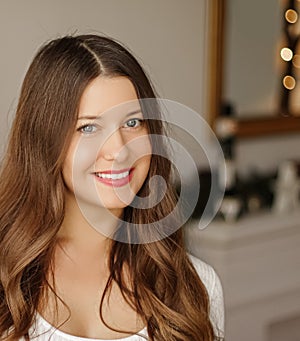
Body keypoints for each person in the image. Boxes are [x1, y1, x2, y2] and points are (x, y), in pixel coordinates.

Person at [0, 34, 224, 341]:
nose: (118, 150)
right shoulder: (6, 282)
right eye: (89, 127)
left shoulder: (195, 287)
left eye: (132, 123)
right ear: (45, 141)